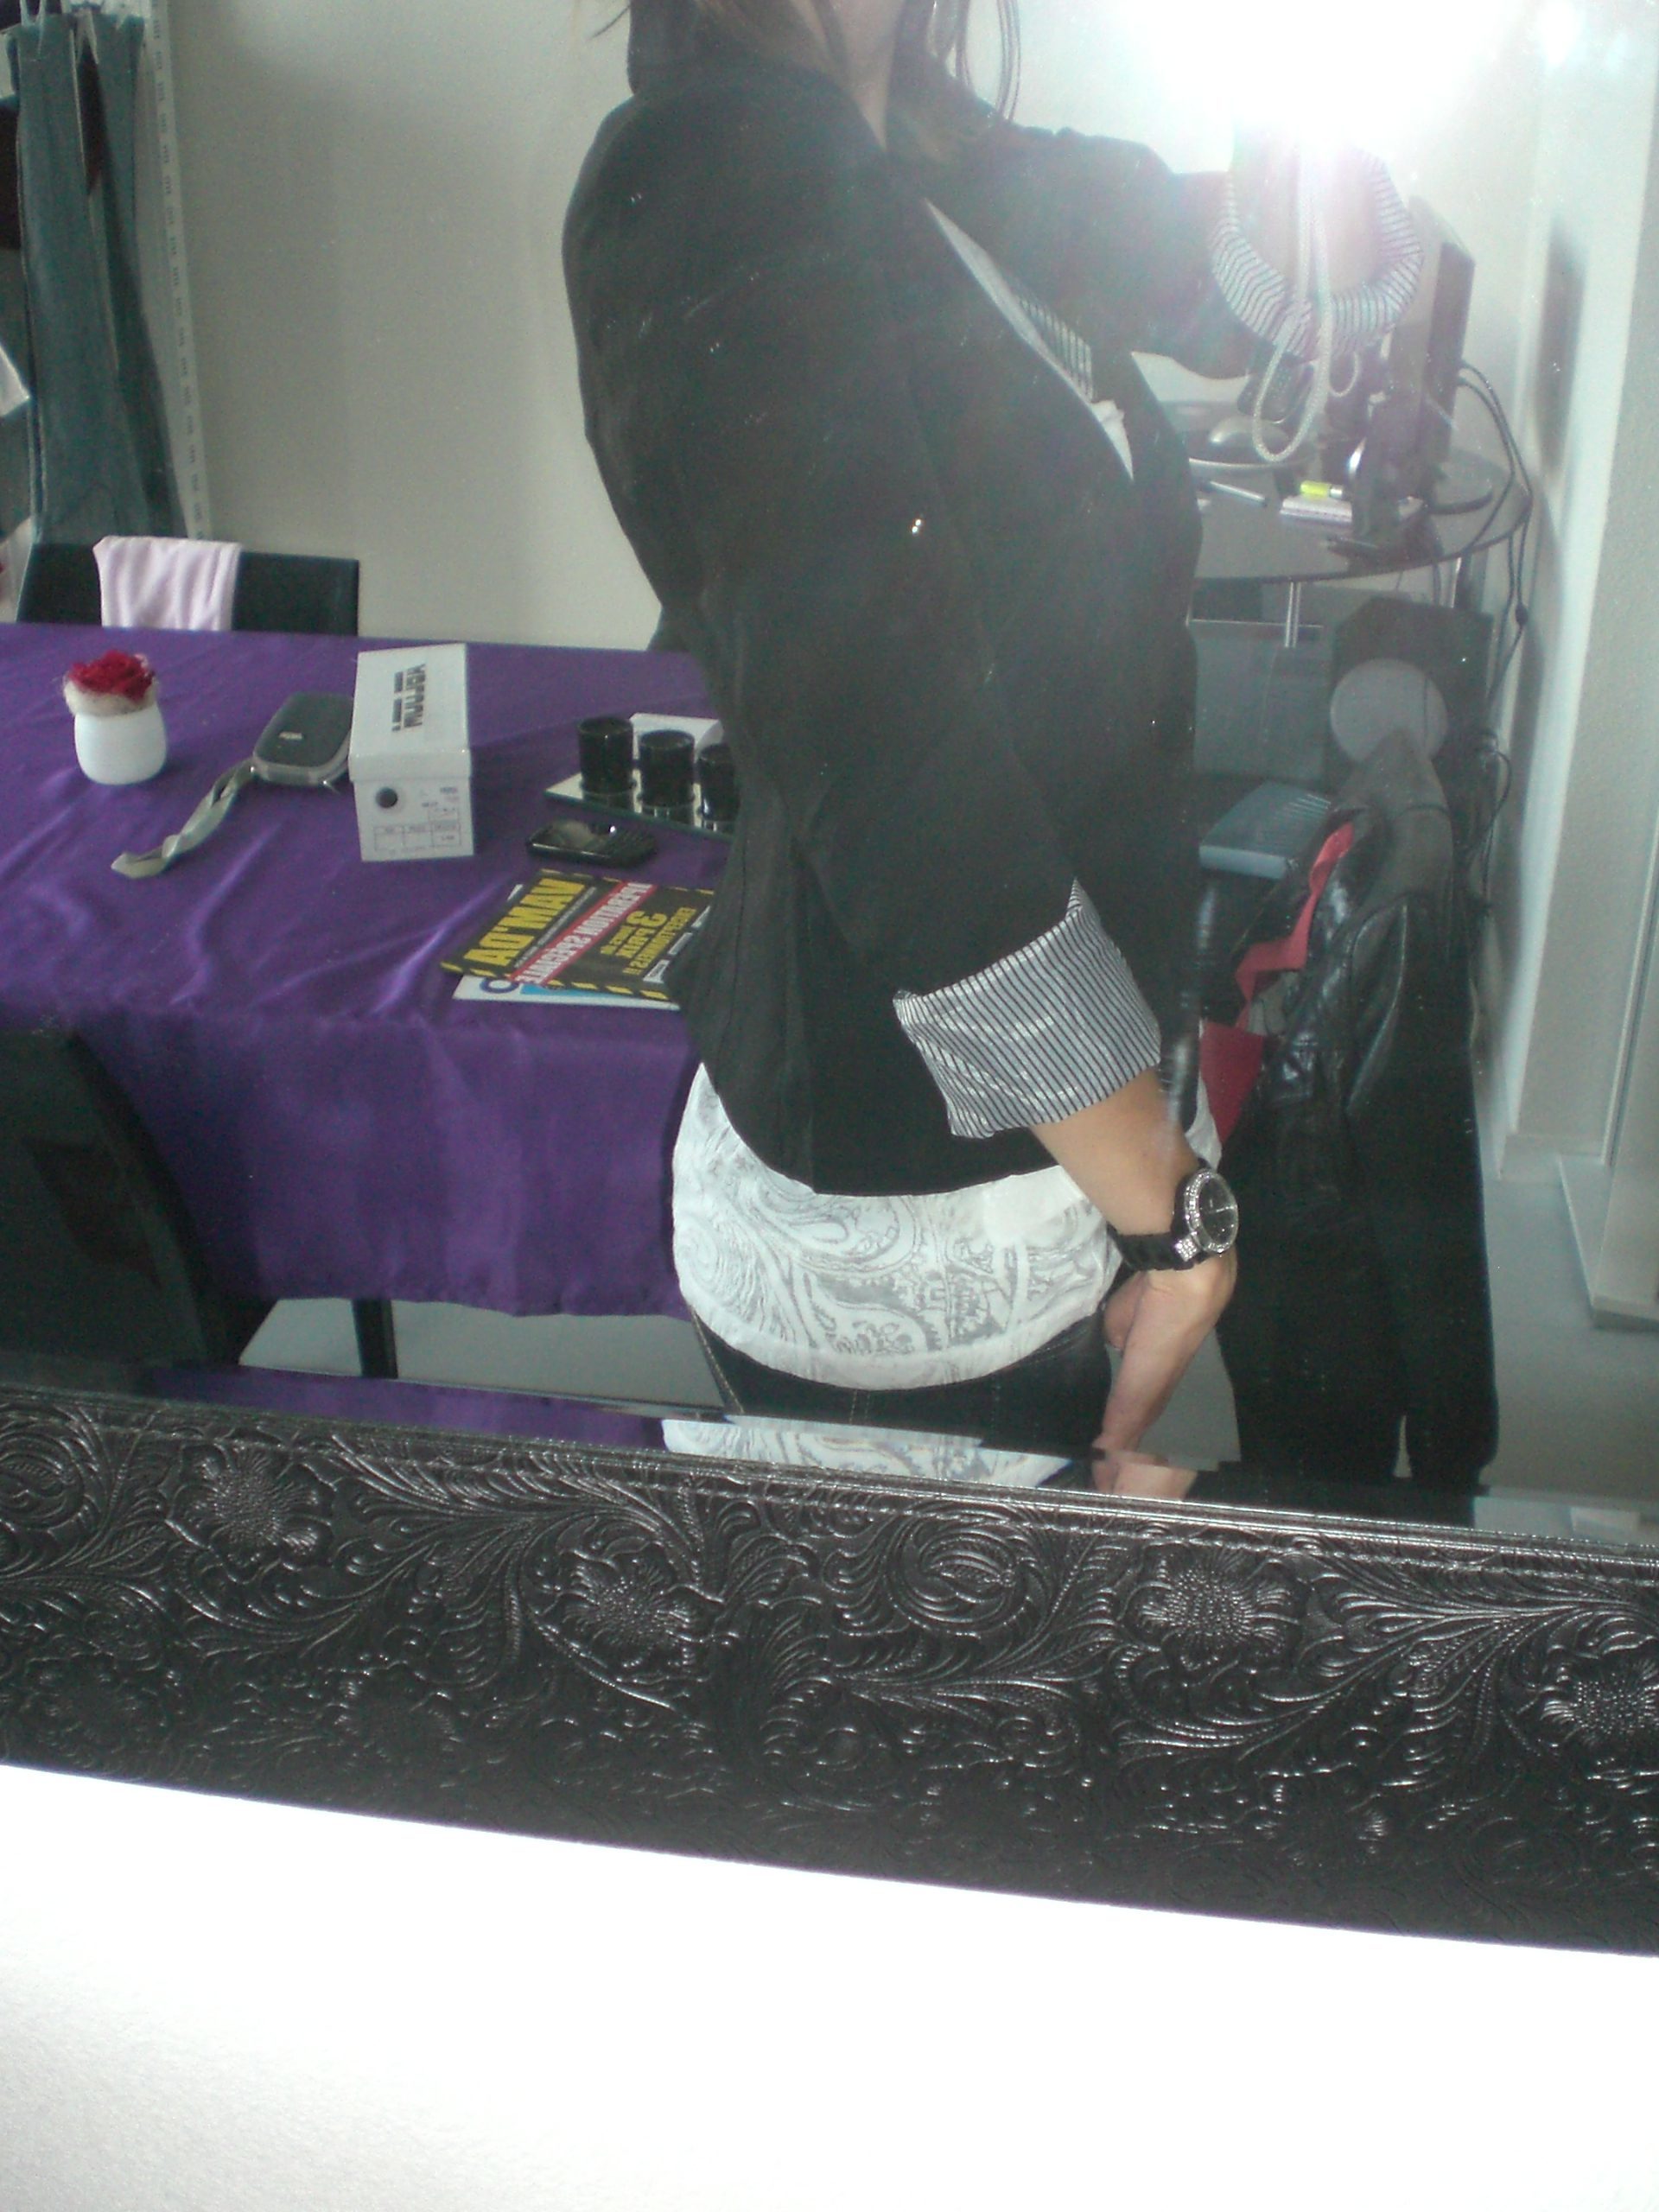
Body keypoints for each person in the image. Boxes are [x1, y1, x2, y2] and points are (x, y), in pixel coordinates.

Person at [563, 0, 1416, 1472]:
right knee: (921, 1621)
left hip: (1078, 1140)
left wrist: (1311, 102)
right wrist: (1178, 1221)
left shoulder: (937, 152)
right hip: (902, 1194)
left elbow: (1266, 291)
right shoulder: (702, 171)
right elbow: (890, 767)